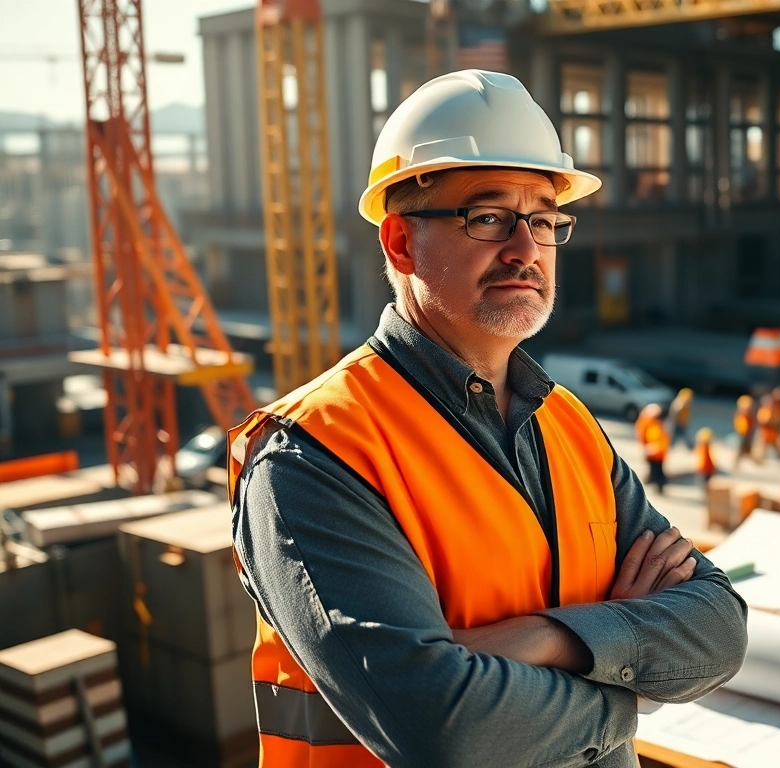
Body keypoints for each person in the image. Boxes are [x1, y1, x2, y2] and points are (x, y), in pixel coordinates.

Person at [229, 70, 746, 768]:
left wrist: (549, 638)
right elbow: (446, 729)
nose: (526, 249)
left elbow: (720, 630)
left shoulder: (567, 423)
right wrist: (628, 686)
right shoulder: (314, 455)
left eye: (544, 221)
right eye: (488, 217)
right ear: (400, 243)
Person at [643, 415, 671, 494]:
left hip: (656, 454)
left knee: (657, 471)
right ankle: (653, 482)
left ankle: (658, 484)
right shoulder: (657, 427)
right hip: (656, 454)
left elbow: (660, 443)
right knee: (656, 470)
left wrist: (651, 450)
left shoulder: (657, 428)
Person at [756, 393, 780, 461]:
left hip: (773, 432)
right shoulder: (764, 410)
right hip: (766, 432)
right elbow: (762, 421)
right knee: (763, 446)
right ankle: (759, 458)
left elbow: (779, 420)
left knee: (775, 445)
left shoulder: (777, 410)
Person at [733, 394, 756, 469]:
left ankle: (755, 460)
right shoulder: (741, 415)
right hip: (743, 434)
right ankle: (736, 462)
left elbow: (752, 425)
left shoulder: (750, 415)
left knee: (747, 447)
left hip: (747, 434)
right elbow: (739, 425)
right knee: (741, 448)